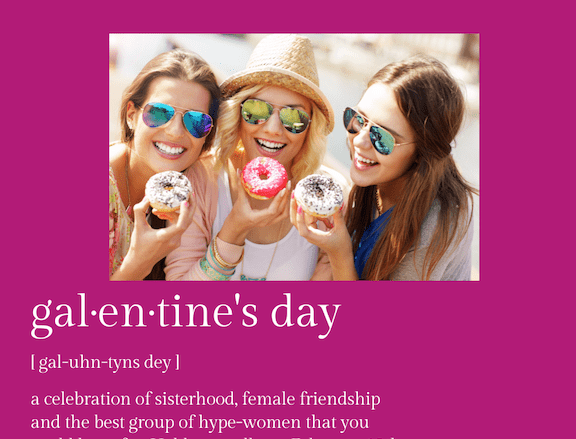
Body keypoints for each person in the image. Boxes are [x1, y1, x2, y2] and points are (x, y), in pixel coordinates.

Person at [165, 34, 348, 281]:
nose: (273, 129)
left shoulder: (324, 201)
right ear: (238, 114)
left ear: (310, 128)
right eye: (256, 110)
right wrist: (234, 230)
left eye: (293, 117)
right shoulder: (201, 179)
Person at [291, 55, 478, 281]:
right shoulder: (377, 186)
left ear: (422, 153)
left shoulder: (437, 222)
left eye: (382, 138)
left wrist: (339, 253)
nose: (359, 141)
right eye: (358, 120)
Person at [109, 49, 220, 280]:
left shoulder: (193, 187)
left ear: (207, 137)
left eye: (196, 121)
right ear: (132, 115)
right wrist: (139, 263)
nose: (175, 131)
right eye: (160, 112)